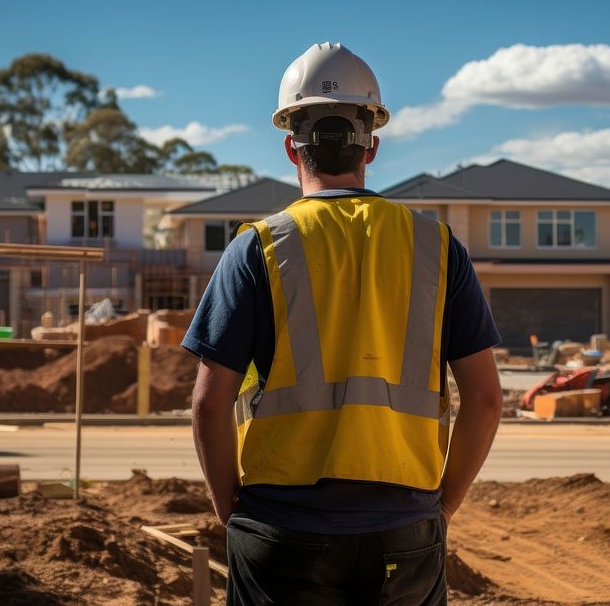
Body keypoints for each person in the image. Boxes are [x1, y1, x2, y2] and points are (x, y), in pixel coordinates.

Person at [186, 42, 502, 605]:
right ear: (371, 146)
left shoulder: (256, 248)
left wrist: (231, 511)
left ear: (291, 146)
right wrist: (440, 508)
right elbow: (486, 400)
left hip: (282, 528)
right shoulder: (435, 246)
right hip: (404, 529)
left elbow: (209, 404)